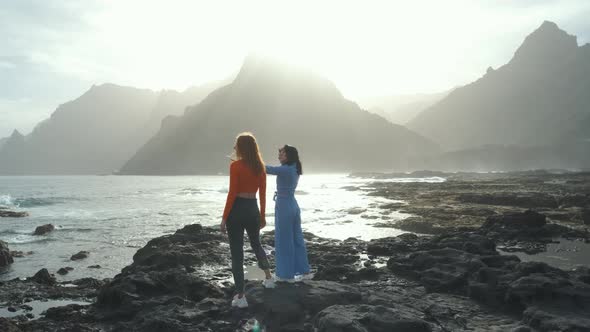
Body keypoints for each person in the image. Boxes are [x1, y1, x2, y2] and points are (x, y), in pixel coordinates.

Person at [221, 132, 275, 309]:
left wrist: (223, 218)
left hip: (236, 211)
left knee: (237, 253)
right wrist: (262, 216)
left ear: (242, 147)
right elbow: (262, 194)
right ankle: (269, 277)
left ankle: (241, 296)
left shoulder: (235, 166)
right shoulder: (261, 167)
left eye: (236, 145)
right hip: (253, 209)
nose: (234, 148)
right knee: (256, 244)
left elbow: (232, 193)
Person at [266, 145, 312, 282]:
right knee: (297, 239)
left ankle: (285, 275)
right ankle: (304, 271)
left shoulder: (285, 170)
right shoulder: (294, 169)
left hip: (284, 206)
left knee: (283, 240)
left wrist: (251, 158)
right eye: (279, 153)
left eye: (282, 153)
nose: (279, 155)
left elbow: (267, 169)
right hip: (293, 205)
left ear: (289, 155)